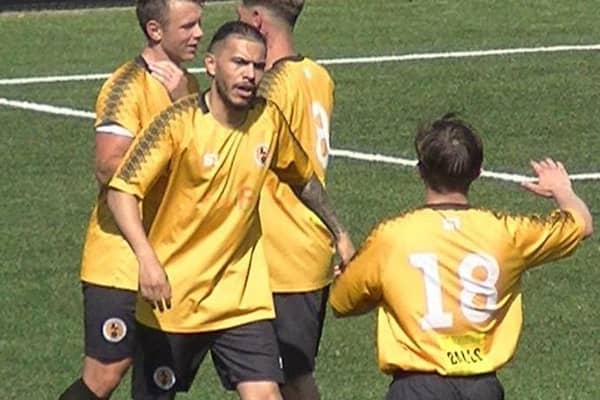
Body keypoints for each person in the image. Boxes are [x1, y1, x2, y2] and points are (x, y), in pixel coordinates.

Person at [106, 21, 353, 400]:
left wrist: (339, 231)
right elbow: (121, 191)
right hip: (174, 298)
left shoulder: (267, 121)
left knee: (267, 395)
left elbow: (303, 178)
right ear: (210, 65)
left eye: (257, 66)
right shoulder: (177, 124)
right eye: (238, 63)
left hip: (241, 300)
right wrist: (146, 258)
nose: (249, 74)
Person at [329, 114, 593, 400]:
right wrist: (562, 190)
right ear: (478, 171)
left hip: (417, 389)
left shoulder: (392, 237)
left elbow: (342, 302)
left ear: (420, 170)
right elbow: (580, 224)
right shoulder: (506, 234)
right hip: (482, 389)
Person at [59, 1, 203, 399]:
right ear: (155, 31)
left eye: (199, 23)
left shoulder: (186, 86)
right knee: (106, 372)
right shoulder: (126, 88)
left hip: (171, 255)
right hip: (119, 257)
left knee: (160, 379)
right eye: (188, 25)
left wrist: (182, 104)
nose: (199, 33)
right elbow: (108, 166)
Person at [236, 1, 341, 399]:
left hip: (281, 254)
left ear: (257, 20)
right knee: (292, 378)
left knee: (278, 381)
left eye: (240, 19)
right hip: (307, 246)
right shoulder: (317, 75)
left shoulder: (272, 87)